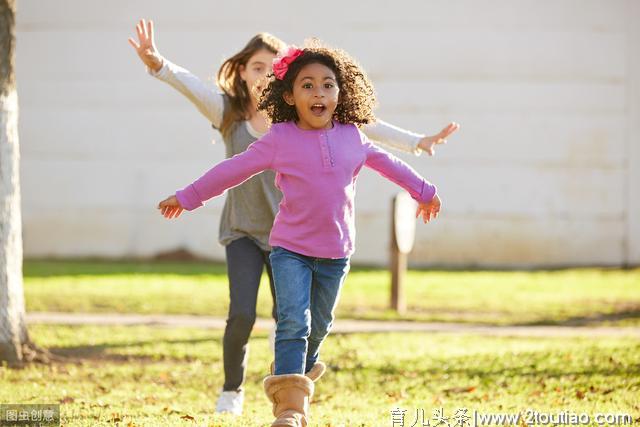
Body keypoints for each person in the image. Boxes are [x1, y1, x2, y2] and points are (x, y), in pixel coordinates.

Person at [129, 18, 458, 417]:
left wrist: (424, 191)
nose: (318, 92)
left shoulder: (352, 136)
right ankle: (289, 410)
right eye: (307, 85)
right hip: (288, 249)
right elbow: (231, 170)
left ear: (341, 92)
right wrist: (187, 196)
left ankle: (290, 375)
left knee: (318, 327)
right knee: (292, 324)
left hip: (336, 253)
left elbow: (389, 164)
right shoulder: (278, 138)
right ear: (290, 95)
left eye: (327, 84)